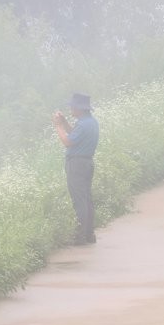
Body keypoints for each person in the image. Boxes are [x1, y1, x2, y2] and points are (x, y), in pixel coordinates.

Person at [52, 93, 99, 245]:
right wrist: (65, 122)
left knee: (79, 201)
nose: (70, 108)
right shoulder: (90, 122)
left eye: (72, 106)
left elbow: (68, 141)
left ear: (80, 108)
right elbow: (75, 135)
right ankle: (89, 234)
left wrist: (58, 126)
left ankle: (80, 237)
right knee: (86, 199)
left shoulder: (83, 124)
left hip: (77, 165)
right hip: (87, 163)